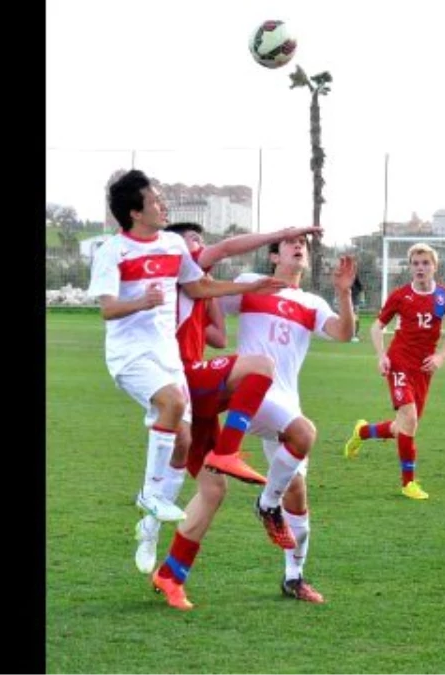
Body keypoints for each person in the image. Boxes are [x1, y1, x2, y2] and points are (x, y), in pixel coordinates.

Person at [87, 170, 285, 529]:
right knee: (174, 404)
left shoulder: (173, 245)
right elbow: (106, 309)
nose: (164, 206)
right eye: (156, 201)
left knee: (184, 440)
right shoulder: (112, 251)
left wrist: (250, 287)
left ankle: (148, 530)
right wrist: (142, 303)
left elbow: (198, 288)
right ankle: (149, 495)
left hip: (166, 355)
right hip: (129, 355)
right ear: (135, 212)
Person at [132, 221, 325, 582]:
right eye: (192, 241)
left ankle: (170, 574)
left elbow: (219, 338)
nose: (199, 247)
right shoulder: (177, 265)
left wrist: (209, 297)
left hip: (194, 390)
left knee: (213, 488)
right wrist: (276, 235)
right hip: (180, 378)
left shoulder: (195, 286)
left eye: (200, 242)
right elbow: (223, 250)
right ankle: (228, 455)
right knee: (259, 366)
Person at [185, 235, 355, 606]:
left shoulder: (312, 303)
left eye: (304, 246)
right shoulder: (250, 284)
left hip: (285, 400)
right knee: (305, 433)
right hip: (253, 392)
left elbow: (345, 333)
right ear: (274, 254)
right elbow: (206, 297)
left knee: (297, 490)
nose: (299, 249)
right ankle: (266, 503)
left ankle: (294, 577)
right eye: (291, 244)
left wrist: (343, 292)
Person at [341, 243, 445, 499]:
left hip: (424, 369)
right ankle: (408, 483)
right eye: (415, 263)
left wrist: (441, 355)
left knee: (404, 426)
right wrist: (382, 355)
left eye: (425, 263)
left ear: (434, 266)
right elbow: (376, 328)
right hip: (399, 362)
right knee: (410, 419)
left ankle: (362, 432)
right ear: (410, 267)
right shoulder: (400, 295)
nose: (420, 268)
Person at [350, 275, 364, 342]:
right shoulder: (343, 275)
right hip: (345, 299)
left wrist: (362, 299)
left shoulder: (355, 276)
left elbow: (361, 288)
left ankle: (355, 335)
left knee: (355, 317)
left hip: (355, 300)